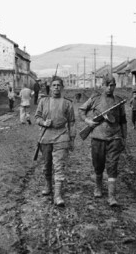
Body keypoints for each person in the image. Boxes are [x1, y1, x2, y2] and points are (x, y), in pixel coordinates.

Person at [79, 76, 127, 206]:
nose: (110, 88)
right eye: (108, 85)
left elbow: (123, 121)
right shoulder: (95, 99)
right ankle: (98, 187)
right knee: (98, 164)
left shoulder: (119, 101)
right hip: (98, 138)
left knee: (113, 166)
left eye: (113, 85)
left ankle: (112, 197)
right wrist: (88, 121)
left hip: (114, 138)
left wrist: (124, 138)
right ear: (103, 85)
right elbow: (82, 110)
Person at [35, 77, 76, 207]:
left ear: (62, 87)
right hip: (46, 136)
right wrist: (43, 122)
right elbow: (37, 117)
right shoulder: (43, 101)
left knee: (59, 166)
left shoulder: (67, 103)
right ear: (50, 87)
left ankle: (58, 195)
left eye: (59, 85)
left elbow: (72, 122)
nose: (56, 87)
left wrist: (72, 138)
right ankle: (48, 186)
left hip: (61, 136)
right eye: (54, 85)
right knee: (47, 164)